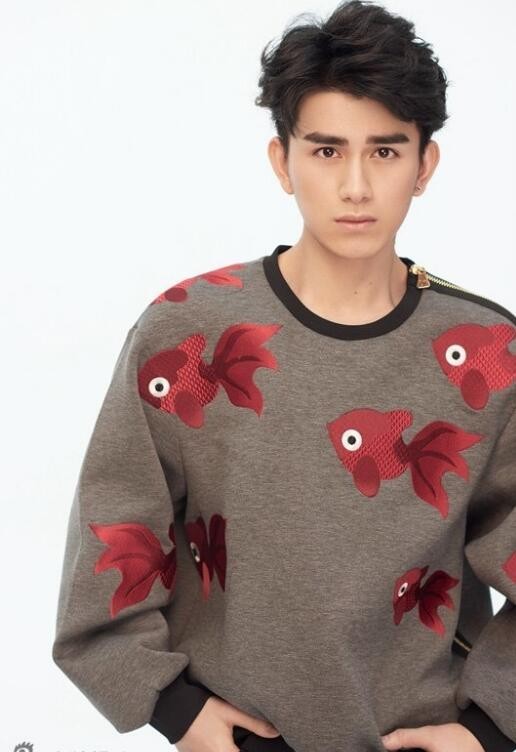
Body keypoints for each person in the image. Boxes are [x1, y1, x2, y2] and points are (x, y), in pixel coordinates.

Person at [51, 2, 516, 751]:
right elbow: (110, 547)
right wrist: (174, 709)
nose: (356, 186)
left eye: (385, 151)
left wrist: (489, 730)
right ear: (282, 160)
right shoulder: (183, 332)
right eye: (327, 150)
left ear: (425, 166)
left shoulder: (490, 351)